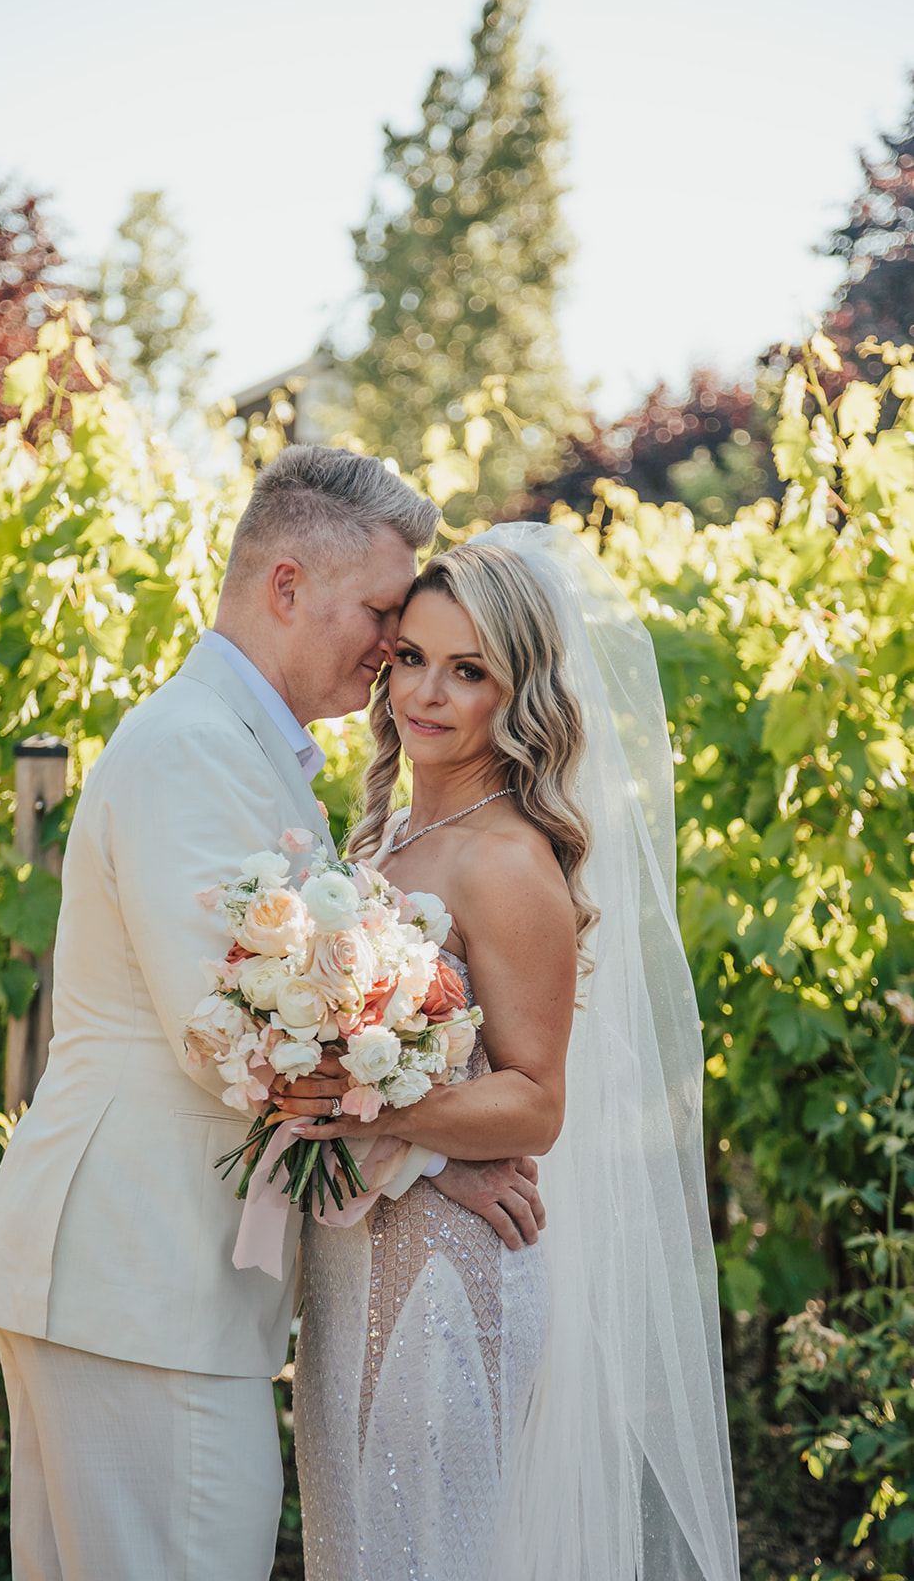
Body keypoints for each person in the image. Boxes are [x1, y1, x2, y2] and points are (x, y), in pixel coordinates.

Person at [0, 445, 544, 1581]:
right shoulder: (193, 747)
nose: (391, 648)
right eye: (381, 609)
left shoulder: (240, 746)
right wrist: (439, 1160)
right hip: (138, 1279)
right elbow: (240, 1039)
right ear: (285, 586)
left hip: (133, 1286)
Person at [289, 525, 741, 1581]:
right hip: (354, 1256)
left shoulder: (507, 862)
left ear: (517, 693)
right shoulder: (381, 841)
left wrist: (363, 1102)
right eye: (409, 658)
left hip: (451, 1270)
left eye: (466, 671)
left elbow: (536, 1104)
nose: (424, 694)